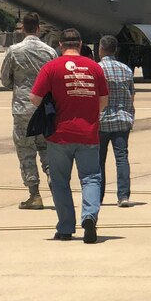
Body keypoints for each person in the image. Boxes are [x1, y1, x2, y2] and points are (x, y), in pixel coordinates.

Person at [30, 28, 108, 243]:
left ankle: (65, 227)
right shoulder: (94, 68)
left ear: (60, 45)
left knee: (60, 181)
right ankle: (89, 216)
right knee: (91, 178)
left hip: (59, 135)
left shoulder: (51, 68)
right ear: (80, 44)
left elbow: (34, 98)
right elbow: (103, 102)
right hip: (88, 133)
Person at [0, 12, 57, 209]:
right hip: (44, 109)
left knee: (26, 151)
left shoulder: (14, 51)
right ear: (39, 28)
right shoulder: (49, 51)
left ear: (23, 28)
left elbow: (5, 80)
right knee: (46, 148)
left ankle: (34, 194)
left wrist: (20, 86)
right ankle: (54, 183)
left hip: (23, 108)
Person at [97, 34, 134, 206]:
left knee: (99, 160)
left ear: (101, 49)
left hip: (102, 120)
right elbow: (131, 94)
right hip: (122, 119)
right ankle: (123, 195)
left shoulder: (97, 69)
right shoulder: (126, 69)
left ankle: (98, 195)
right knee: (121, 157)